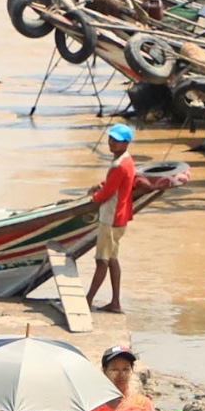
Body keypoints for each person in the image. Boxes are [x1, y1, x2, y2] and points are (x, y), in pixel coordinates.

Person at [86, 124, 136, 314]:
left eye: (116, 140)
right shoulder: (127, 161)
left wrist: (94, 199)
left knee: (102, 260)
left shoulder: (119, 165)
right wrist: (102, 184)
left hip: (110, 217)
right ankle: (115, 302)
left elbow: (107, 193)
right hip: (121, 218)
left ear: (126, 143)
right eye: (111, 139)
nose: (112, 143)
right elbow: (114, 184)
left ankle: (88, 299)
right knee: (113, 259)